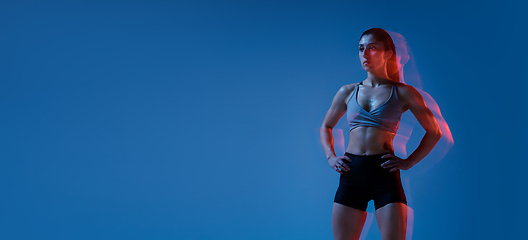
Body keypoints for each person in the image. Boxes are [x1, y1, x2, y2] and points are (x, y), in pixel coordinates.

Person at [319, 28, 442, 240]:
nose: (365, 54)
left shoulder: (404, 92)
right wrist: (331, 156)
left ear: (388, 53)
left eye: (372, 48)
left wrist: (409, 162)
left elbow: (434, 131)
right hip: (351, 173)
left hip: (384, 175)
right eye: (361, 49)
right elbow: (326, 127)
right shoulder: (348, 91)